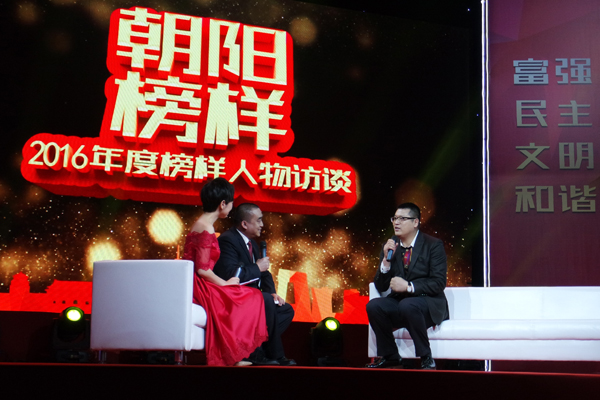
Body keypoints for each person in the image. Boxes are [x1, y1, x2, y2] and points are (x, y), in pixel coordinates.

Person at [182, 178, 268, 366]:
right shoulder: (206, 227)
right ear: (222, 204)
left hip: (198, 281)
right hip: (200, 285)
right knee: (250, 296)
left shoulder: (202, 224)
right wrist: (225, 283)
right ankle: (233, 356)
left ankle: (235, 355)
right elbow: (203, 269)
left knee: (249, 296)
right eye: (231, 203)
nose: (231, 208)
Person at [366, 202, 449, 370]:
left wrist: (409, 286)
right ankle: (390, 356)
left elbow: (439, 282)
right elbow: (381, 286)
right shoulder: (391, 246)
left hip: (428, 303)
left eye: (402, 219)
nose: (396, 223)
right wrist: (386, 261)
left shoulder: (433, 245)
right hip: (402, 303)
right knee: (374, 306)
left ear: (415, 222)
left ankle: (426, 357)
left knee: (408, 305)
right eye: (395, 218)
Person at [214, 203, 296, 366]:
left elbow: (264, 273)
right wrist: (257, 267)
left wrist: (272, 292)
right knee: (265, 301)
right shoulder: (227, 241)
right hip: (235, 296)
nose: (262, 225)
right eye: (258, 220)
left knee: (285, 310)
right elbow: (231, 275)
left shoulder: (251, 243)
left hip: (253, 297)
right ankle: (275, 355)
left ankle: (255, 350)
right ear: (245, 224)